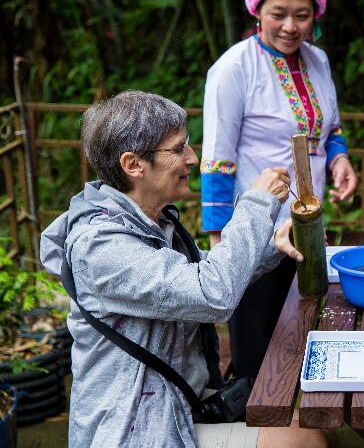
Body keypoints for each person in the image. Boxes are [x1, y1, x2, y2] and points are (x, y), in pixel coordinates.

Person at [39, 91, 332, 447]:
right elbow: (212, 294)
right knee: (302, 438)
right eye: (178, 149)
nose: (193, 158)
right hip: (136, 430)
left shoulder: (150, 221)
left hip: (179, 406)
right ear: (133, 165)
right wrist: (258, 203)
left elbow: (196, 273)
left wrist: (273, 247)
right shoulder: (100, 248)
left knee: (317, 417)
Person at [201, 0, 357, 381]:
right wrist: (221, 254)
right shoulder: (232, 69)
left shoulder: (318, 61)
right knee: (257, 356)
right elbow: (216, 162)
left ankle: (303, 431)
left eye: (302, 15)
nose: (291, 26)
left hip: (308, 226)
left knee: (304, 335)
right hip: (253, 239)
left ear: (316, 14)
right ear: (256, 11)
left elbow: (330, 127)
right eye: (278, 14)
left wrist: (340, 157)